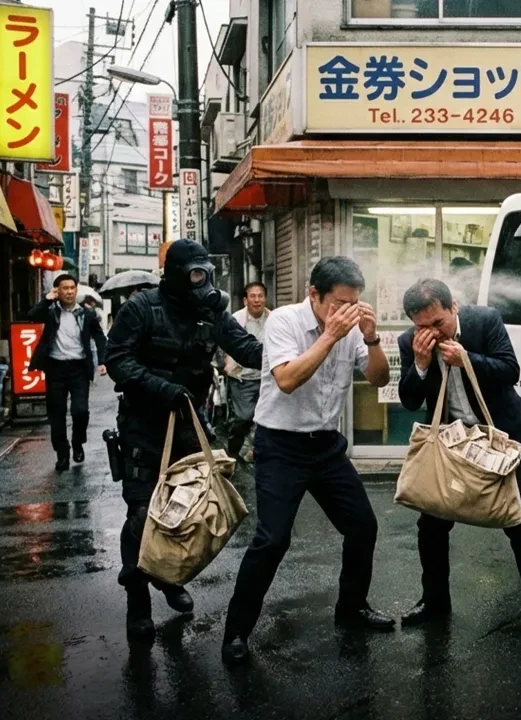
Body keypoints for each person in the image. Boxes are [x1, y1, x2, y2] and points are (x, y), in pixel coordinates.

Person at [222, 257, 393, 665]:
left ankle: (351, 608)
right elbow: (286, 379)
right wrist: (330, 336)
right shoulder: (284, 321)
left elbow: (380, 379)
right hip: (280, 446)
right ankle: (236, 632)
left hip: (327, 446)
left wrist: (371, 339)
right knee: (272, 540)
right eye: (339, 303)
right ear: (313, 294)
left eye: (354, 303)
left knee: (363, 526)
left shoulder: (351, 329)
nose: (347, 312)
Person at [105, 240, 263, 642]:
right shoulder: (141, 308)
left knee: (189, 509)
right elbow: (117, 360)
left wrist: (298, 351)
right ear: (175, 274)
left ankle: (169, 576)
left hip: (189, 425)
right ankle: (138, 602)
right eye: (195, 274)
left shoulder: (210, 311)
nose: (202, 282)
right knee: (142, 515)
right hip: (143, 424)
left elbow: (246, 349)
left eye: (206, 274)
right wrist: (162, 388)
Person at [396, 278, 521, 646]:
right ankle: (435, 602)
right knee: (431, 525)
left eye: (438, 323)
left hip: (500, 439)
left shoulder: (485, 321)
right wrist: (420, 365)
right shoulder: (410, 342)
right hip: (451, 445)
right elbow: (409, 400)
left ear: (453, 307)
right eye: (422, 326)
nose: (432, 332)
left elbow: (510, 370)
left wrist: (468, 359)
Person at [29, 274, 108, 472]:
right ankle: (62, 454)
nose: (70, 292)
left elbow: (100, 337)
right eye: (65, 288)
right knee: (57, 414)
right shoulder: (50, 311)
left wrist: (103, 361)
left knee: (80, 411)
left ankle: (78, 442)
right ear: (57, 291)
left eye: (72, 288)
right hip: (55, 368)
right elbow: (32, 316)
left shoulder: (86, 314)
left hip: (79, 368)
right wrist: (47, 300)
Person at [224, 282, 270, 461]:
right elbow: (228, 346)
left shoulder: (273, 318)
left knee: (266, 418)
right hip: (242, 377)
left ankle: (257, 451)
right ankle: (232, 452)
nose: (257, 300)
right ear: (245, 300)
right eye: (253, 296)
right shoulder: (235, 319)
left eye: (260, 296)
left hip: (266, 376)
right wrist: (228, 365)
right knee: (243, 417)